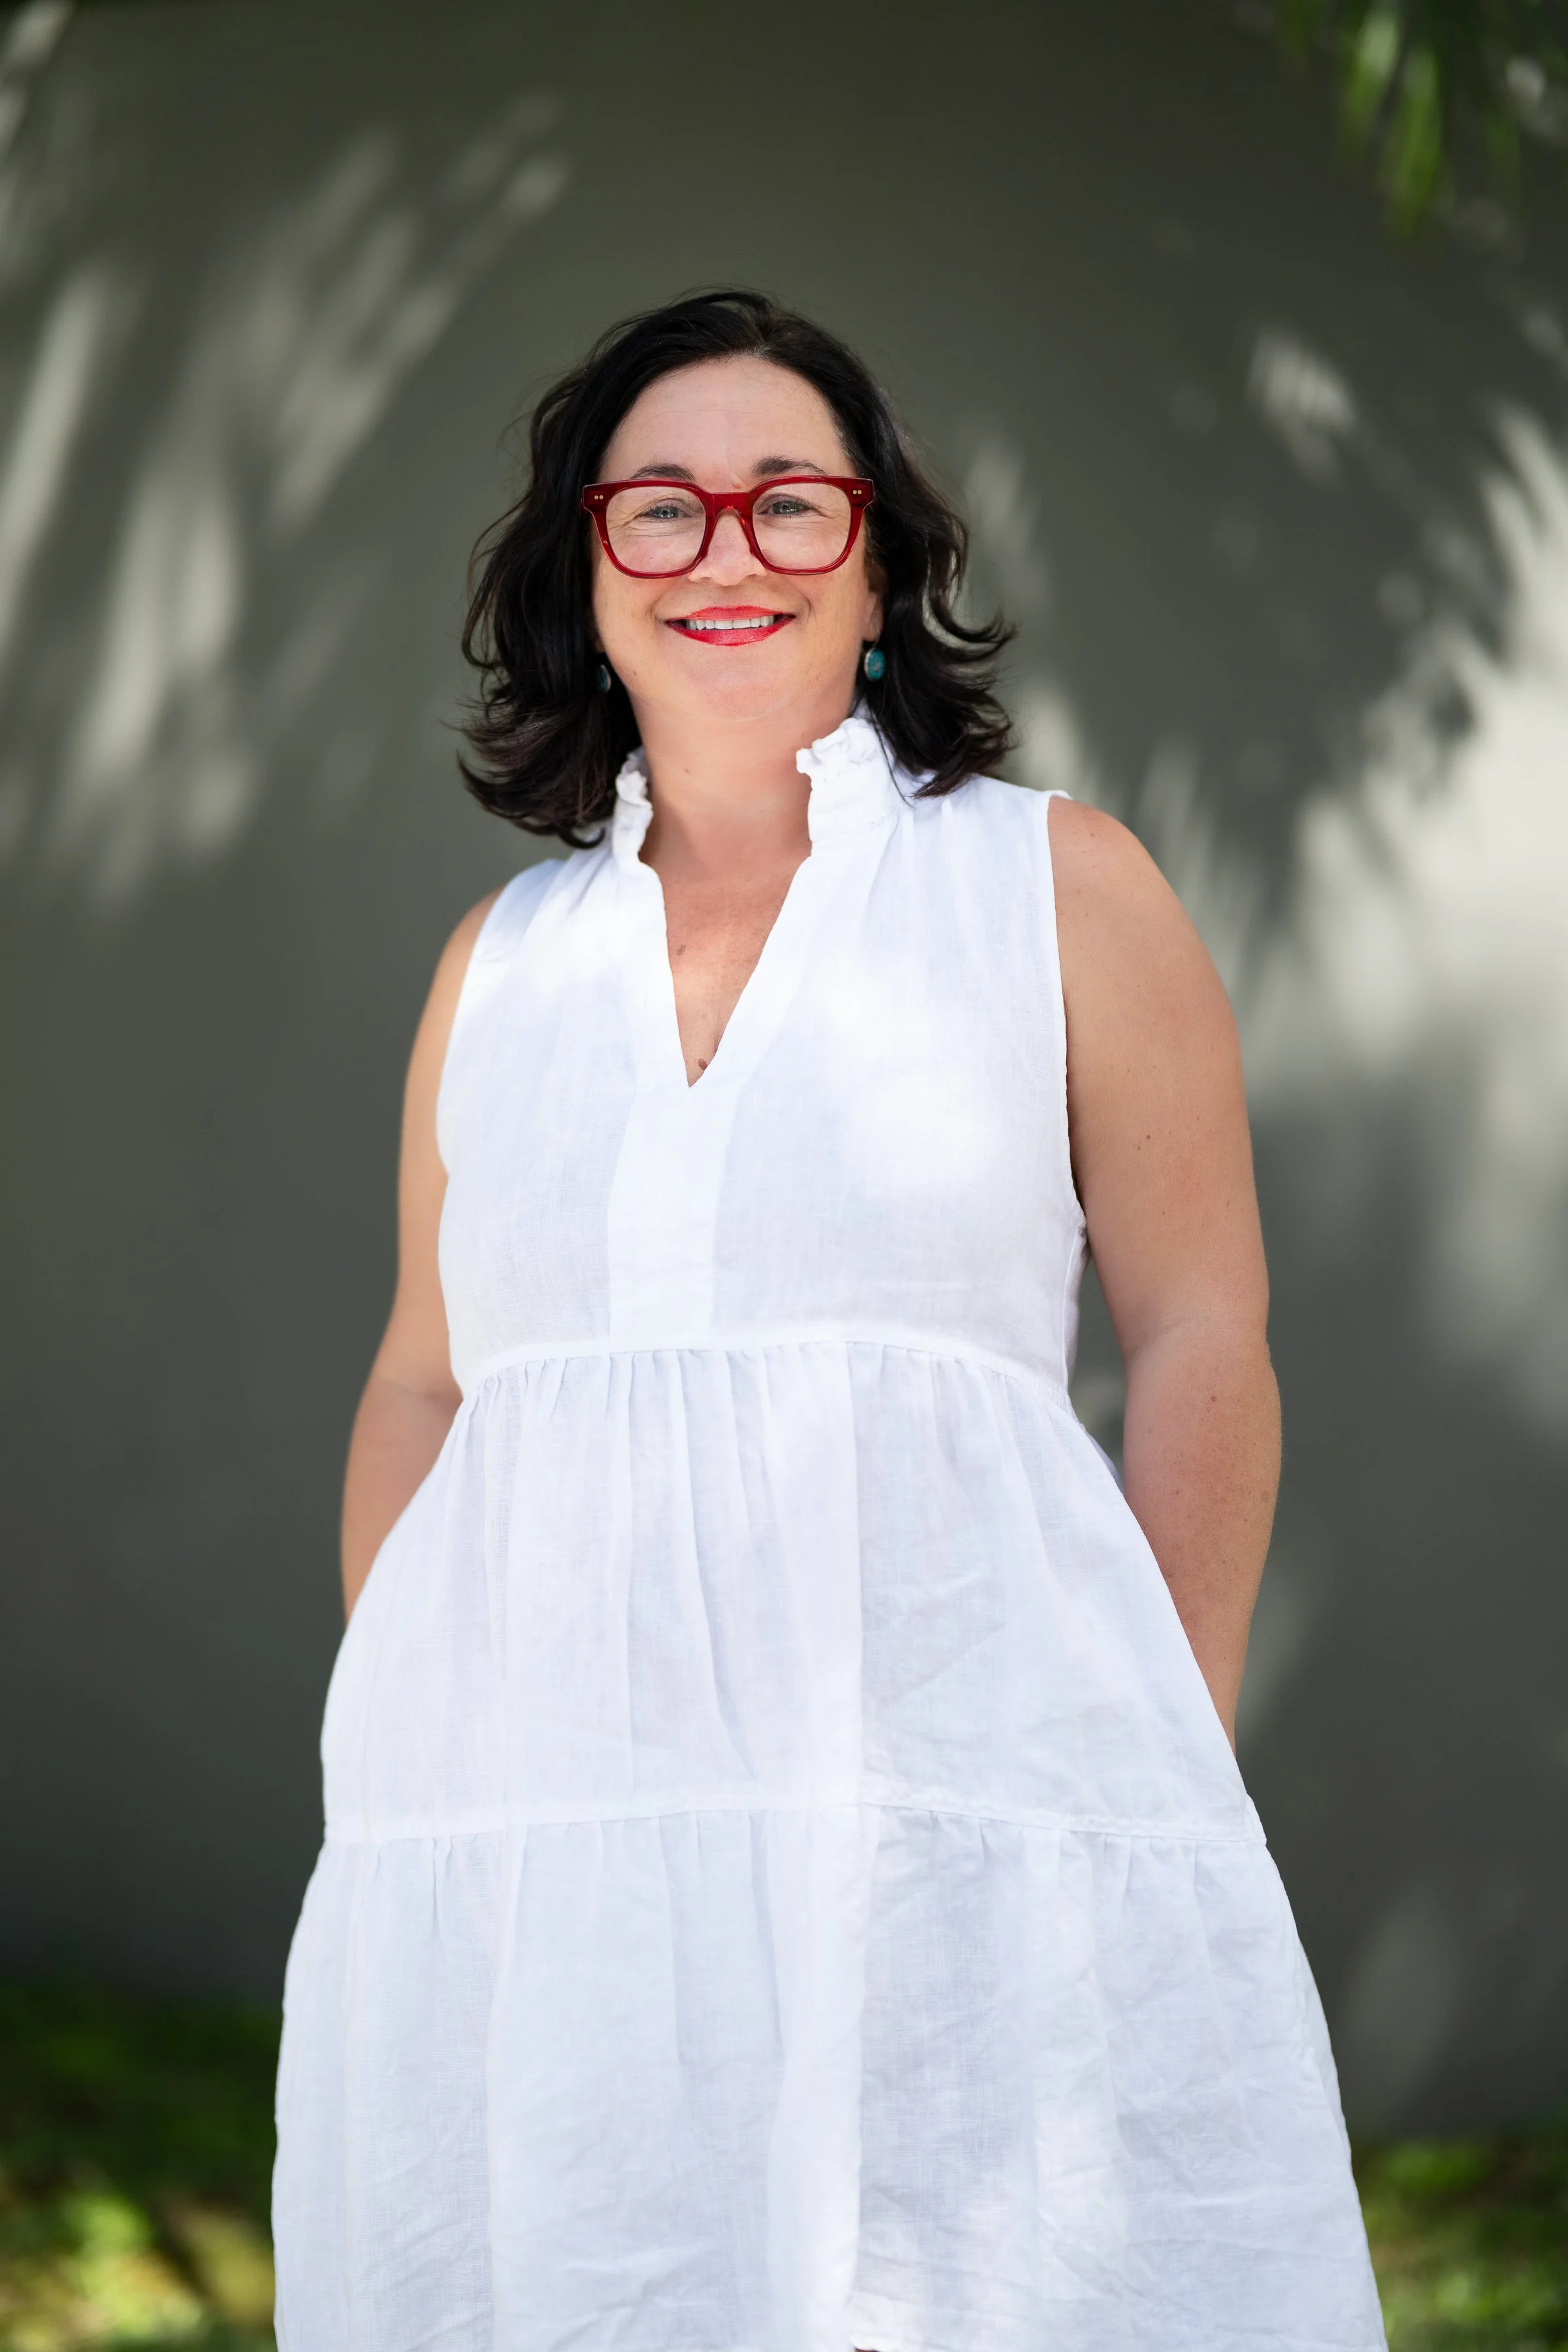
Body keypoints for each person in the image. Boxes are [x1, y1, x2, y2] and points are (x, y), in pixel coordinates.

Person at [272, 289, 1384, 2352]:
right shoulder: (498, 967)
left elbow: (1206, 1330)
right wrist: (408, 1738)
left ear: (877, 565)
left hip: (957, 1837)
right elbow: (426, 1371)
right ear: (577, 572)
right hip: (550, 1878)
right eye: (661, 509)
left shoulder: (1055, 888)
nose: (725, 555)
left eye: (790, 503)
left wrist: (1145, 1739)